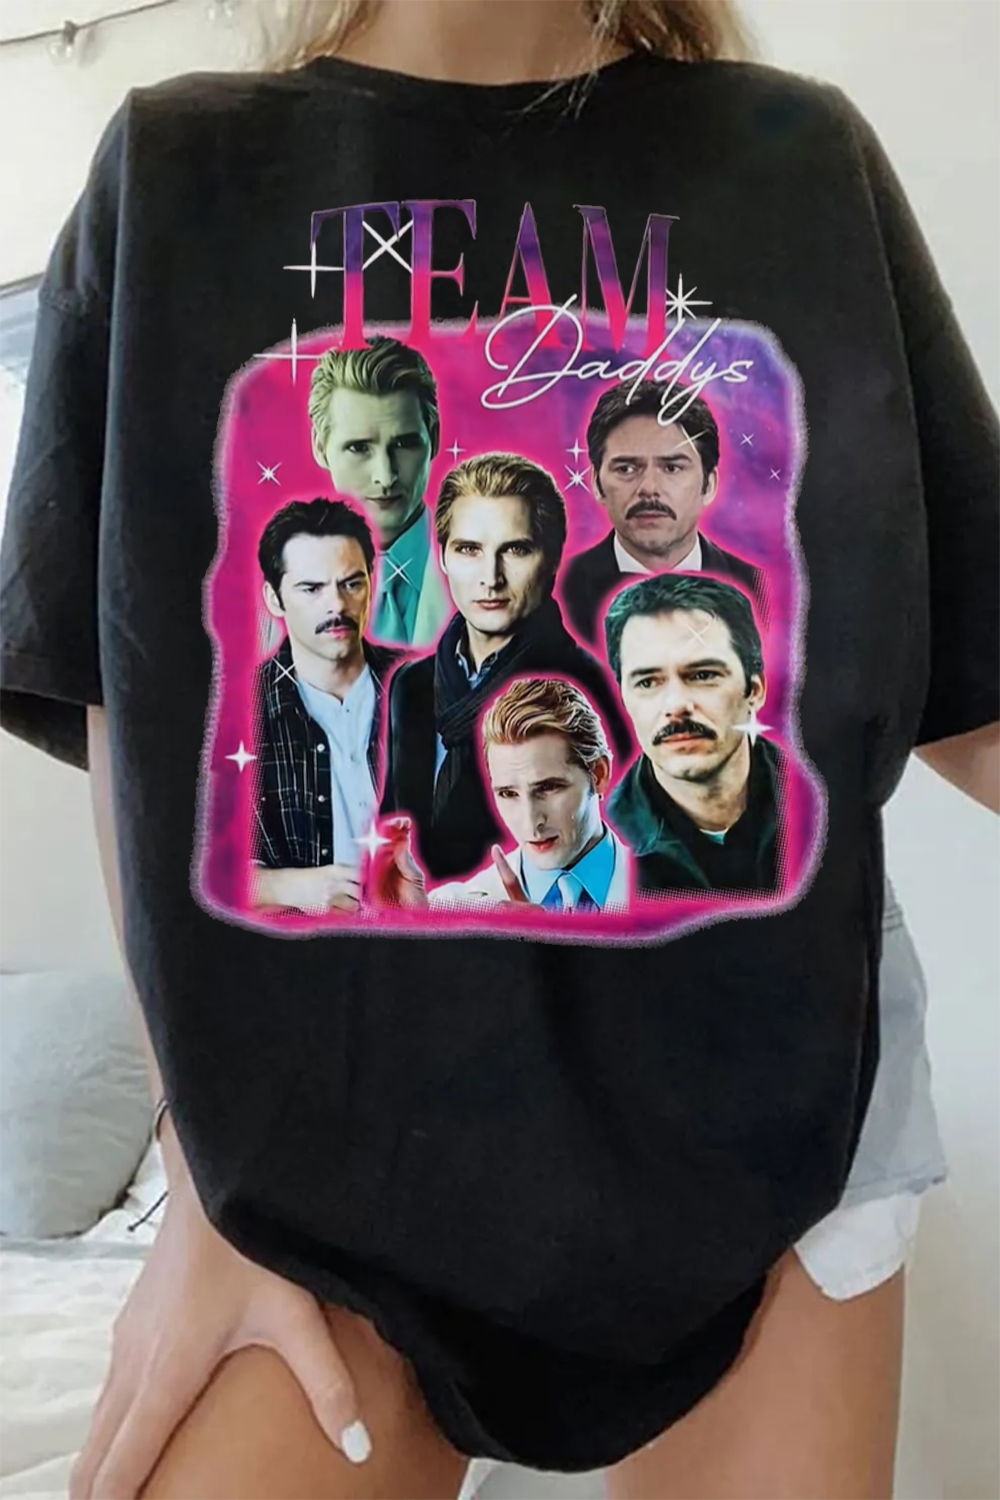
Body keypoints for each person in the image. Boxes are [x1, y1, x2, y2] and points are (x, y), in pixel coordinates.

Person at [0, 4, 995, 1500]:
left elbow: (975, 688)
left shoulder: (799, 164)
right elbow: (139, 718)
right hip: (322, 1153)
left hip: (768, 1126)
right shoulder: (176, 171)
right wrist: (197, 1176)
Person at [381, 451, 631, 879]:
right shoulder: (412, 684)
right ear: (442, 558)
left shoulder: (590, 685)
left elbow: (613, 845)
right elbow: (392, 830)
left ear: (551, 559)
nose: (490, 577)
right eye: (469, 550)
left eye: (515, 549)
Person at [249, 498, 401, 916]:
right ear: (275, 598)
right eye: (312, 589)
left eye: (351, 584)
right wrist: (289, 887)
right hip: (309, 947)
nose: (337, 605)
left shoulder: (426, 685)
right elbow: (193, 863)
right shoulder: (240, 713)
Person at [379, 676, 632, 911]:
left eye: (548, 788)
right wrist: (412, 932)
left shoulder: (655, 890)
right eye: (508, 793)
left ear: (598, 775)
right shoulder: (452, 911)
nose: (531, 823)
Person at [605, 573, 780, 894]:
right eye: (647, 682)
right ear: (624, 699)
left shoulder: (825, 803)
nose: (676, 705)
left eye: (703, 675)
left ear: (754, 690)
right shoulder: (597, 852)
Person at [562, 381, 764, 645]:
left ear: (709, 485)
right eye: (626, 469)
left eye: (672, 468)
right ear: (597, 484)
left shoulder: (761, 592)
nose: (649, 488)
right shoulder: (554, 593)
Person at [309, 336, 451, 646]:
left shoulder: (499, 574)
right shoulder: (271, 598)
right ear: (320, 447)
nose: (385, 477)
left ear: (435, 437)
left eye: (404, 444)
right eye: (359, 448)